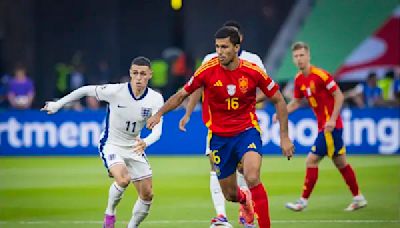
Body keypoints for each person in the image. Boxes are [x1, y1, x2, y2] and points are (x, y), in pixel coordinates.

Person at [147, 26, 294, 228]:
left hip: (246, 131)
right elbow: (183, 94)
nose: (220, 51)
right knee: (231, 194)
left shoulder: (252, 70)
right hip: (219, 138)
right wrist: (159, 113)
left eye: (224, 47)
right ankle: (244, 201)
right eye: (217, 47)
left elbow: (278, 99)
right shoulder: (207, 70)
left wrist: (284, 137)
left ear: (236, 47)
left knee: (252, 176)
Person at [41, 56, 164, 228]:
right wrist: (57, 105)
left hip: (135, 146)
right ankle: (109, 213)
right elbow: (84, 90)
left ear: (150, 75)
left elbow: (158, 129)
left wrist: (146, 141)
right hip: (111, 143)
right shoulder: (115, 91)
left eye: (143, 74)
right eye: (135, 73)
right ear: (130, 73)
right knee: (123, 179)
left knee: (148, 194)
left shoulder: (155, 99)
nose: (138, 77)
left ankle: (132, 226)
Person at [178, 20, 268, 227]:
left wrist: (245, 101)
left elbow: (265, 89)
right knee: (214, 166)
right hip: (217, 126)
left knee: (246, 170)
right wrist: (189, 112)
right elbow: (197, 87)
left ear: (239, 40)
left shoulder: (253, 61)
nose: (221, 49)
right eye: (219, 44)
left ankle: (244, 210)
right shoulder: (211, 60)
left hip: (244, 125)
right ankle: (221, 215)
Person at [277, 41, 367, 212]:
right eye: (296, 56)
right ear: (293, 59)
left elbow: (339, 96)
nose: (299, 59)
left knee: (311, 160)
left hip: (330, 128)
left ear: (308, 56)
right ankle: (358, 198)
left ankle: (302, 202)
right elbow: (296, 102)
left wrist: (332, 120)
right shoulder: (298, 80)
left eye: (302, 55)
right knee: (341, 163)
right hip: (325, 128)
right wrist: (282, 113)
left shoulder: (321, 75)